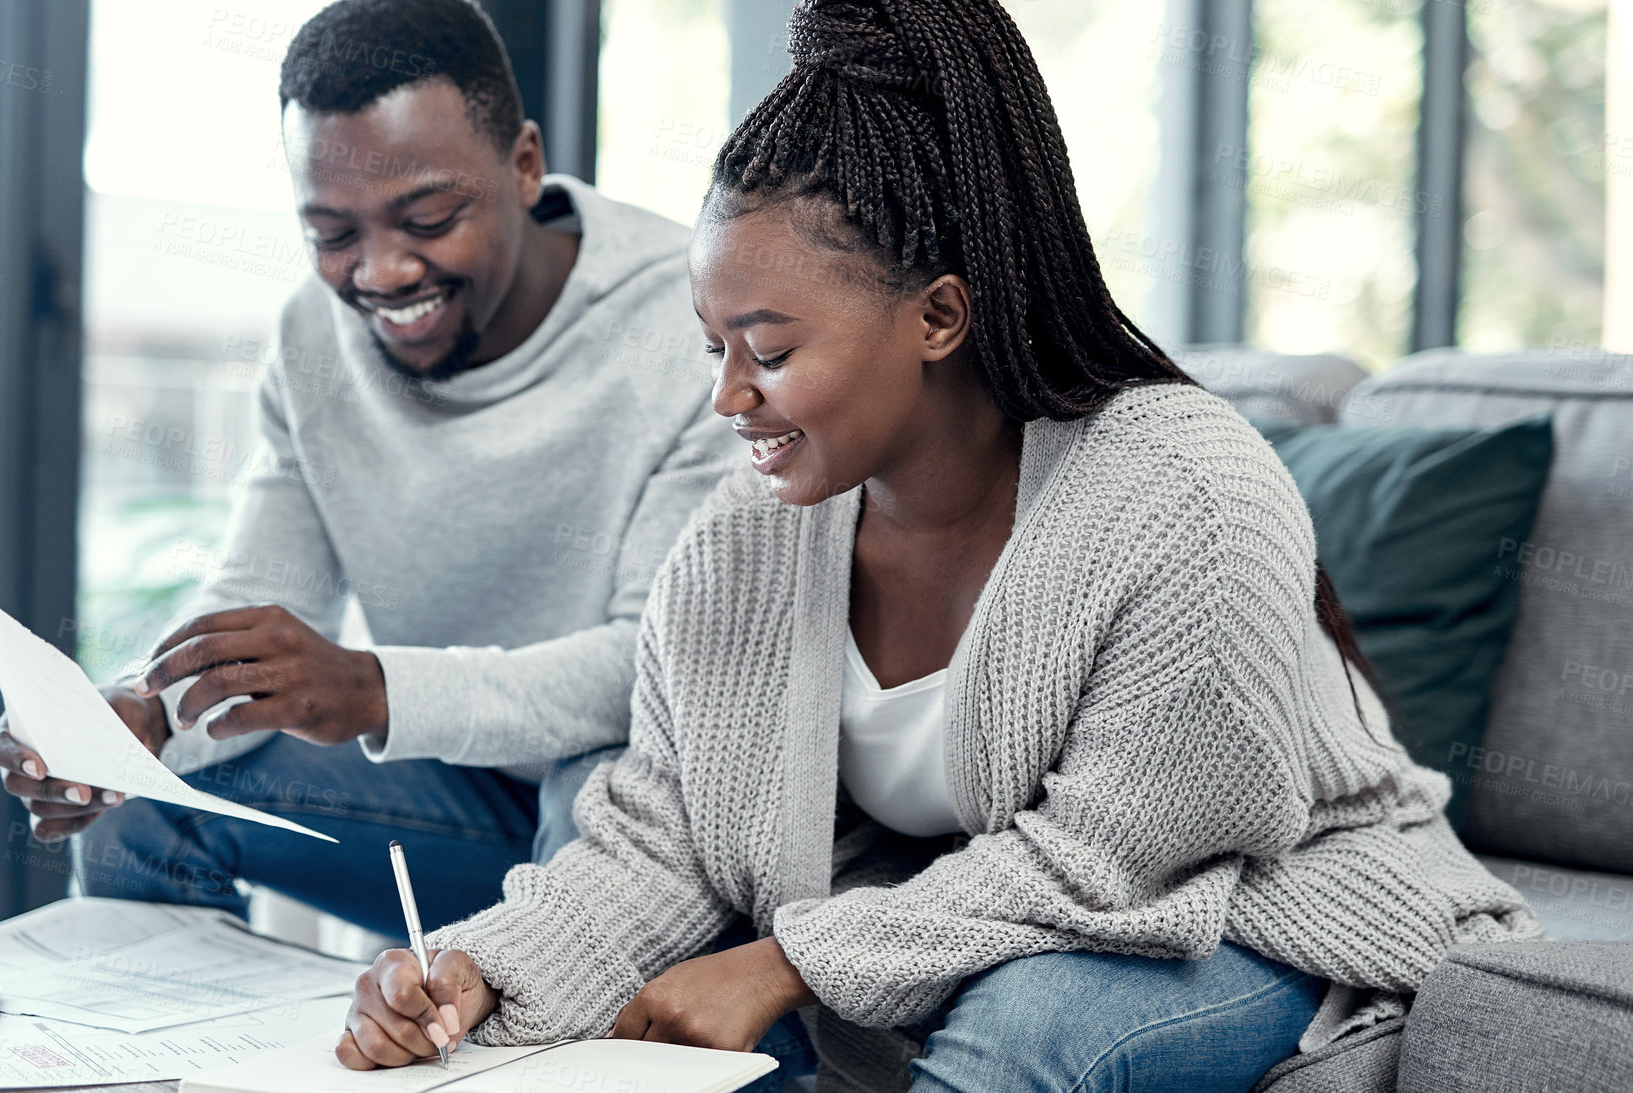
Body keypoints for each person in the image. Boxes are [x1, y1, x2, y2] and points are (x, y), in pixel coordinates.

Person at [336, 0, 1543, 1090]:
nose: (727, 398)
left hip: (1256, 902)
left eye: (768, 348)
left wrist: (785, 961)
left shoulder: (1184, 489)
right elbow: (664, 830)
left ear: (938, 316)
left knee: (1025, 1027)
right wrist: (482, 966)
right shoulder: (742, 537)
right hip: (954, 900)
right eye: (711, 347)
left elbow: (1105, 863)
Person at [0, 0, 732, 937]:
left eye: (427, 217)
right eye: (333, 235)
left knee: (593, 786)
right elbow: (261, 588)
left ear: (525, 164)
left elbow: (648, 666)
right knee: (147, 802)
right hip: (456, 802)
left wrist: (376, 690)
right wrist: (143, 713)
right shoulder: (317, 335)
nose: (380, 273)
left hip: (637, 827)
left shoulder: (694, 327)